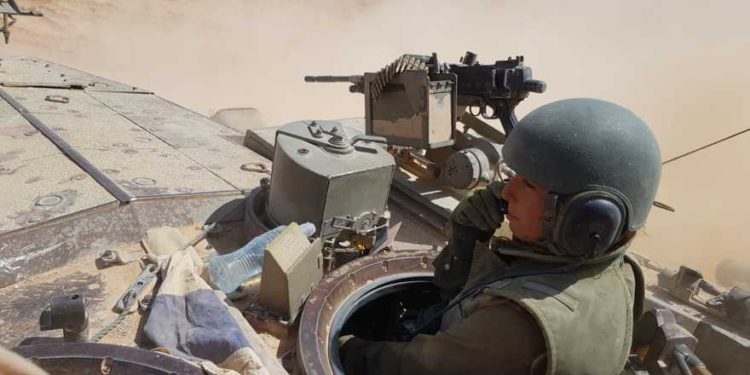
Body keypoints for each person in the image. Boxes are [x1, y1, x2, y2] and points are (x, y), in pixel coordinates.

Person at [339, 98, 661, 374]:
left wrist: (340, 344)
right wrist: (468, 236)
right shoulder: (616, 271)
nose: (507, 192)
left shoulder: (519, 322)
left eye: (529, 185)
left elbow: (409, 368)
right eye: (513, 178)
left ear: (584, 220)